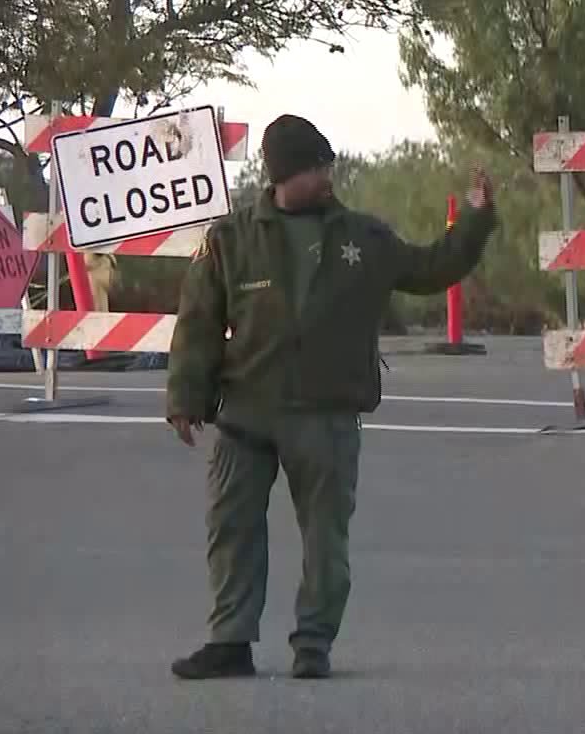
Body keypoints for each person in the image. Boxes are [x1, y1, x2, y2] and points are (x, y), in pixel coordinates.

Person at [164, 114, 498, 680]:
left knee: (325, 538)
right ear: (284, 174)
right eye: (317, 167)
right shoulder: (231, 239)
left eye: (328, 165)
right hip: (246, 411)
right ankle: (230, 640)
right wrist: (184, 396)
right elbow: (197, 323)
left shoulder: (363, 239)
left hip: (326, 415)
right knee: (231, 528)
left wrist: (476, 220)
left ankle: (312, 643)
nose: (327, 176)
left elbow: (432, 267)